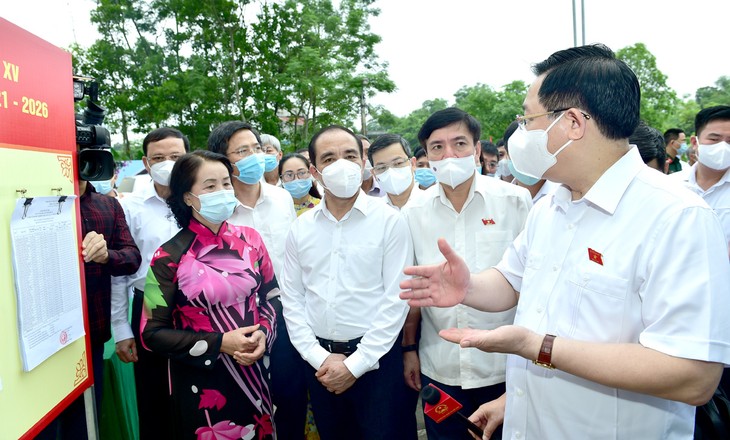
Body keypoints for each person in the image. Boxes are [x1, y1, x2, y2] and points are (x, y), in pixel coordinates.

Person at [400, 44, 730, 440]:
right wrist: (467, 287)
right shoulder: (552, 203)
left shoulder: (676, 217)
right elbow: (511, 281)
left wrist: (538, 347)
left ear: (572, 123)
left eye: (528, 120)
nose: (521, 133)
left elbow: (693, 376)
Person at [401, 108, 531, 440]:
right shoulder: (411, 213)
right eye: (437, 147)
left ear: (476, 150)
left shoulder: (515, 201)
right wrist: (409, 349)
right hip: (440, 369)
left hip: (505, 369)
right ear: (426, 157)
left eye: (459, 144)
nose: (449, 155)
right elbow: (412, 293)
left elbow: (531, 282)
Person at [280, 125, 415, 439]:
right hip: (321, 365)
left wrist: (356, 364)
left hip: (377, 361)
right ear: (314, 170)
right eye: (329, 158)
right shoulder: (300, 229)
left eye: (350, 155)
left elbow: (396, 299)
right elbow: (293, 299)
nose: (341, 164)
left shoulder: (389, 221)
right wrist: (319, 358)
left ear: (363, 161)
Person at [141, 150, 277, 440]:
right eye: (210, 186)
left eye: (226, 183)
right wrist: (220, 343)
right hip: (202, 381)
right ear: (188, 196)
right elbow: (151, 333)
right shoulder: (165, 257)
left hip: (255, 369)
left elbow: (271, 296)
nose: (223, 191)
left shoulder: (251, 240)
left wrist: (264, 334)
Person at [207, 121, 298, 437]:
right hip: (240, 324)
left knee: (290, 400)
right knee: (246, 406)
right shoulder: (218, 210)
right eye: (242, 151)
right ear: (225, 162)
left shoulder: (282, 199)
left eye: (257, 149)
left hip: (288, 316)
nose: (254, 157)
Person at [38, 177, 141, 440]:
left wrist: (108, 255)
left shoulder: (108, 205)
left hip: (89, 338)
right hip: (38, 341)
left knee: (84, 423)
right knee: (42, 424)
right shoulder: (29, 202)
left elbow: (131, 258)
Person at [110, 127, 189, 439]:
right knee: (154, 398)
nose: (167, 163)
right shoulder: (131, 207)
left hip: (201, 307)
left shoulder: (204, 200)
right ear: (146, 161)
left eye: (175, 156)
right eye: (158, 158)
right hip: (150, 305)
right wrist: (121, 329)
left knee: (199, 397)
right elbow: (120, 269)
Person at [676, 105, 730, 256]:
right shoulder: (671, 185)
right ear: (695, 142)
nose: (723, 147)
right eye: (714, 139)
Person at [368, 133, 423, 210]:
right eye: (382, 167)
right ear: (374, 174)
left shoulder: (433, 203)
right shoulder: (373, 211)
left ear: (413, 163)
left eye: (398, 163)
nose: (390, 172)